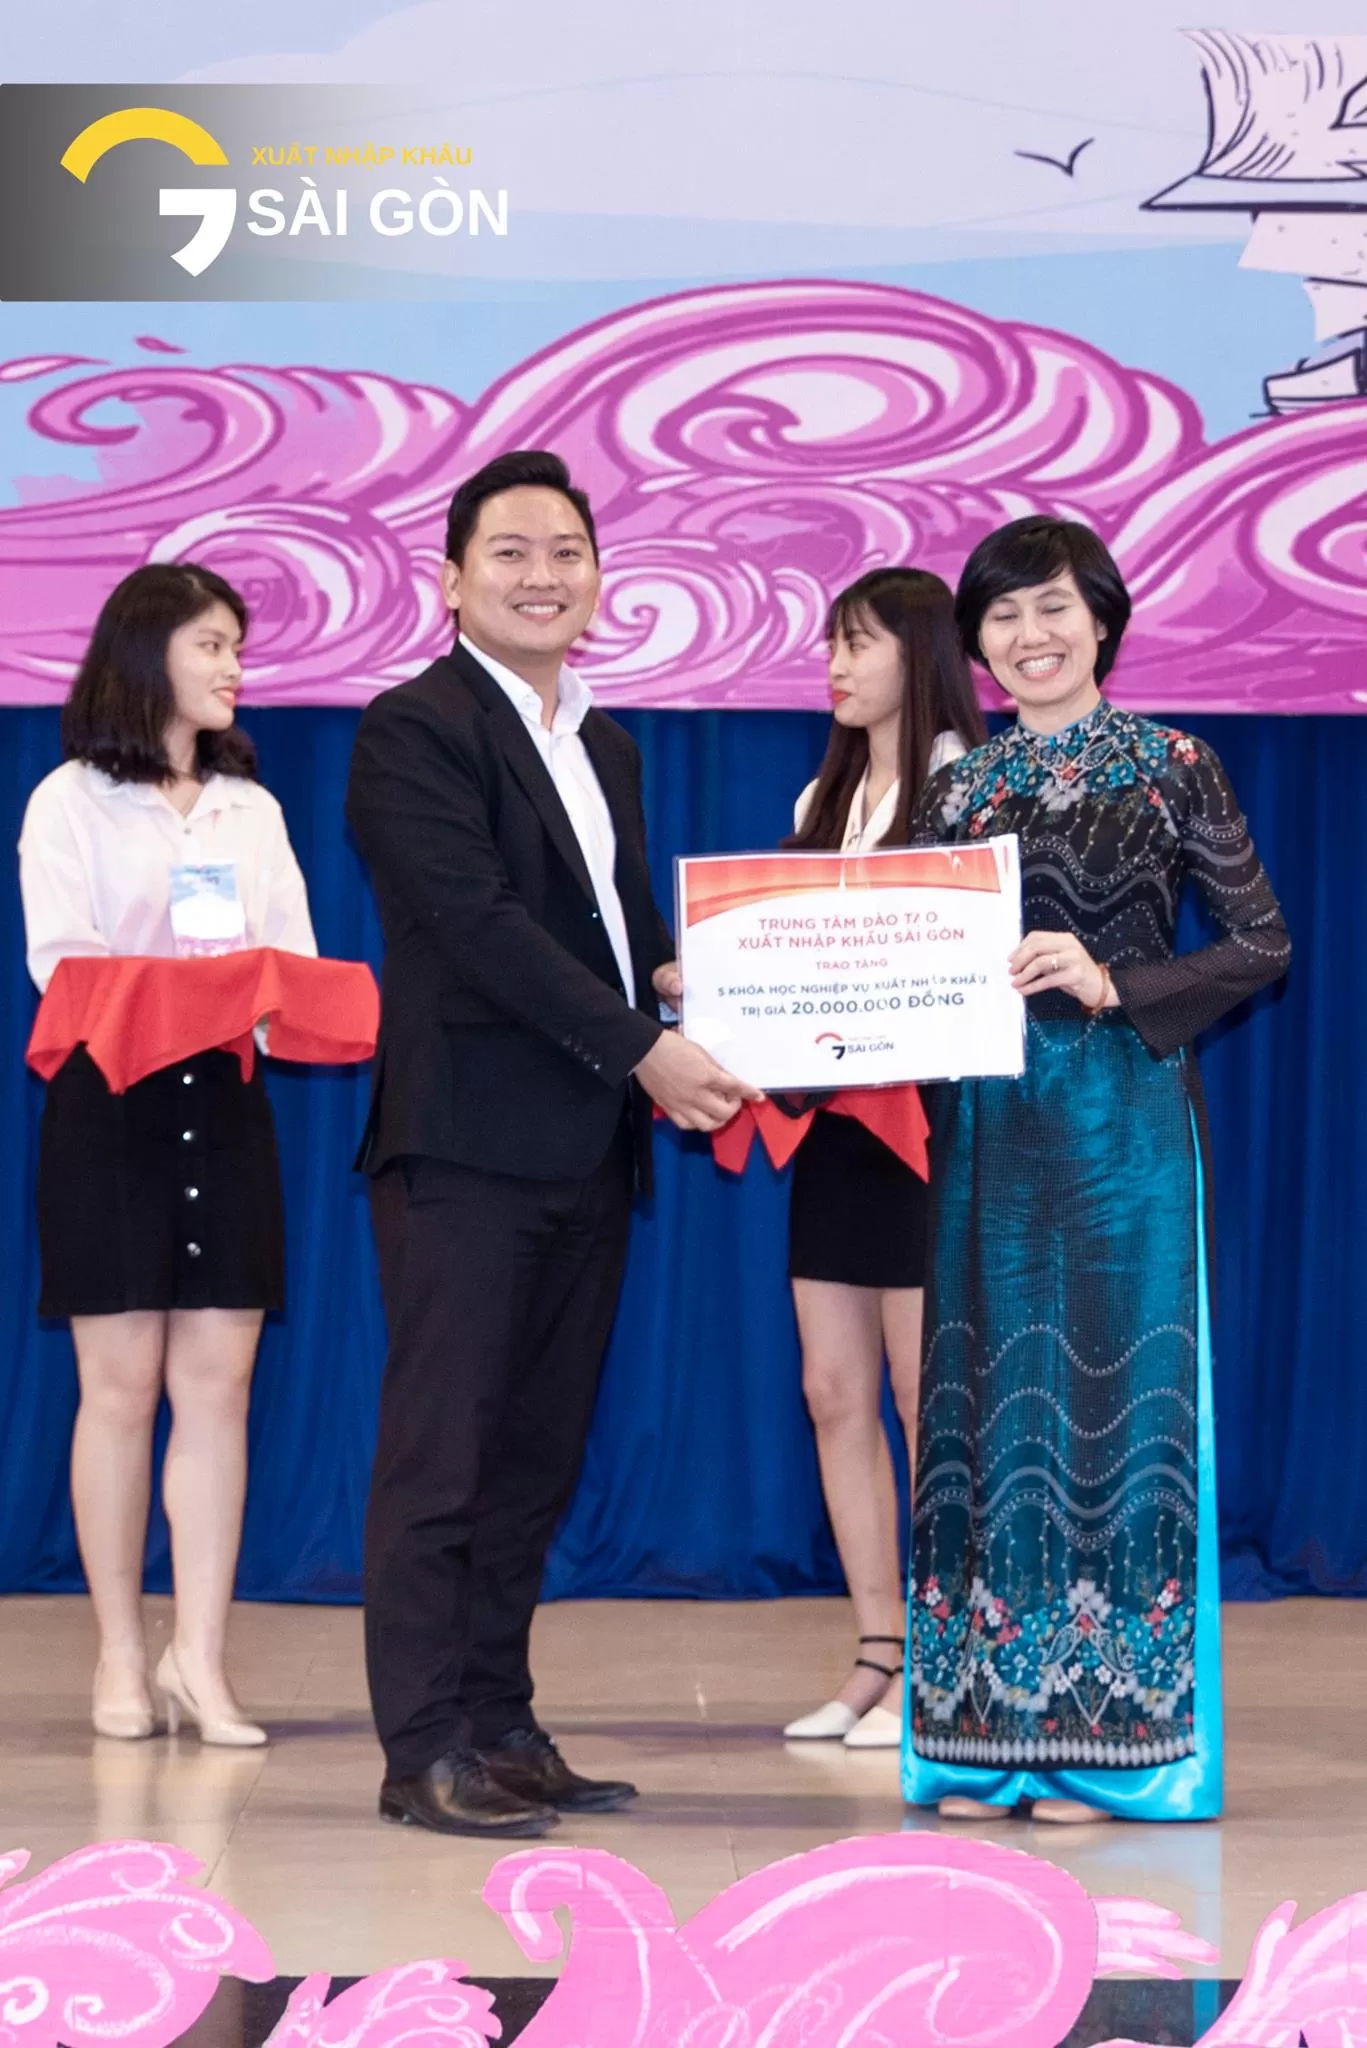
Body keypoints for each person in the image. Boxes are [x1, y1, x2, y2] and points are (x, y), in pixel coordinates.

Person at [346, 448, 757, 1840]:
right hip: (464, 1147)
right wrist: (643, 1048)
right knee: (441, 1460)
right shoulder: (412, 728)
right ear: (451, 581)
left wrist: (705, 990)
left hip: (585, 1151)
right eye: (510, 552)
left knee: (530, 1460)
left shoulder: (606, 743)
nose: (542, 575)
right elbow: (478, 926)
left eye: (565, 551)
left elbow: (616, 932)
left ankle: (499, 1726)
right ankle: (422, 1749)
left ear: (597, 577)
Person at [903, 516, 1290, 1825]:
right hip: (985, 1123)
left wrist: (1113, 979)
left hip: (1124, 1119)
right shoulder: (957, 788)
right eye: (1002, 615)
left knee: (1113, 1409)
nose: (1031, 635)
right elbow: (904, 956)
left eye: (1053, 608)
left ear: (1102, 620)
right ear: (976, 642)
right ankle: (980, 1740)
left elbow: (1259, 943)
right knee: (981, 1405)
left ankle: (1107, 1744)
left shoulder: (1173, 765)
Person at [18, 562, 318, 1748]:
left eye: (237, 645)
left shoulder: (251, 808)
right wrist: (193, 988)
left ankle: (200, 1655)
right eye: (212, 644)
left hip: (226, 1101)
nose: (234, 666)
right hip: (112, 1105)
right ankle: (118, 1648)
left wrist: (245, 995)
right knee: (118, 1386)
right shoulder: (70, 801)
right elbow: (62, 963)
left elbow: (290, 963)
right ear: (148, 655)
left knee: (217, 1387)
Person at [779, 569, 985, 1751]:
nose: (835, 665)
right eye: (829, 644)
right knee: (831, 1387)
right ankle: (877, 1652)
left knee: (926, 1396)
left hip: (933, 1126)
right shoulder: (824, 794)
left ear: (920, 652)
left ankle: (948, 1659)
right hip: (836, 1123)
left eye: (856, 643)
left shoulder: (973, 785)